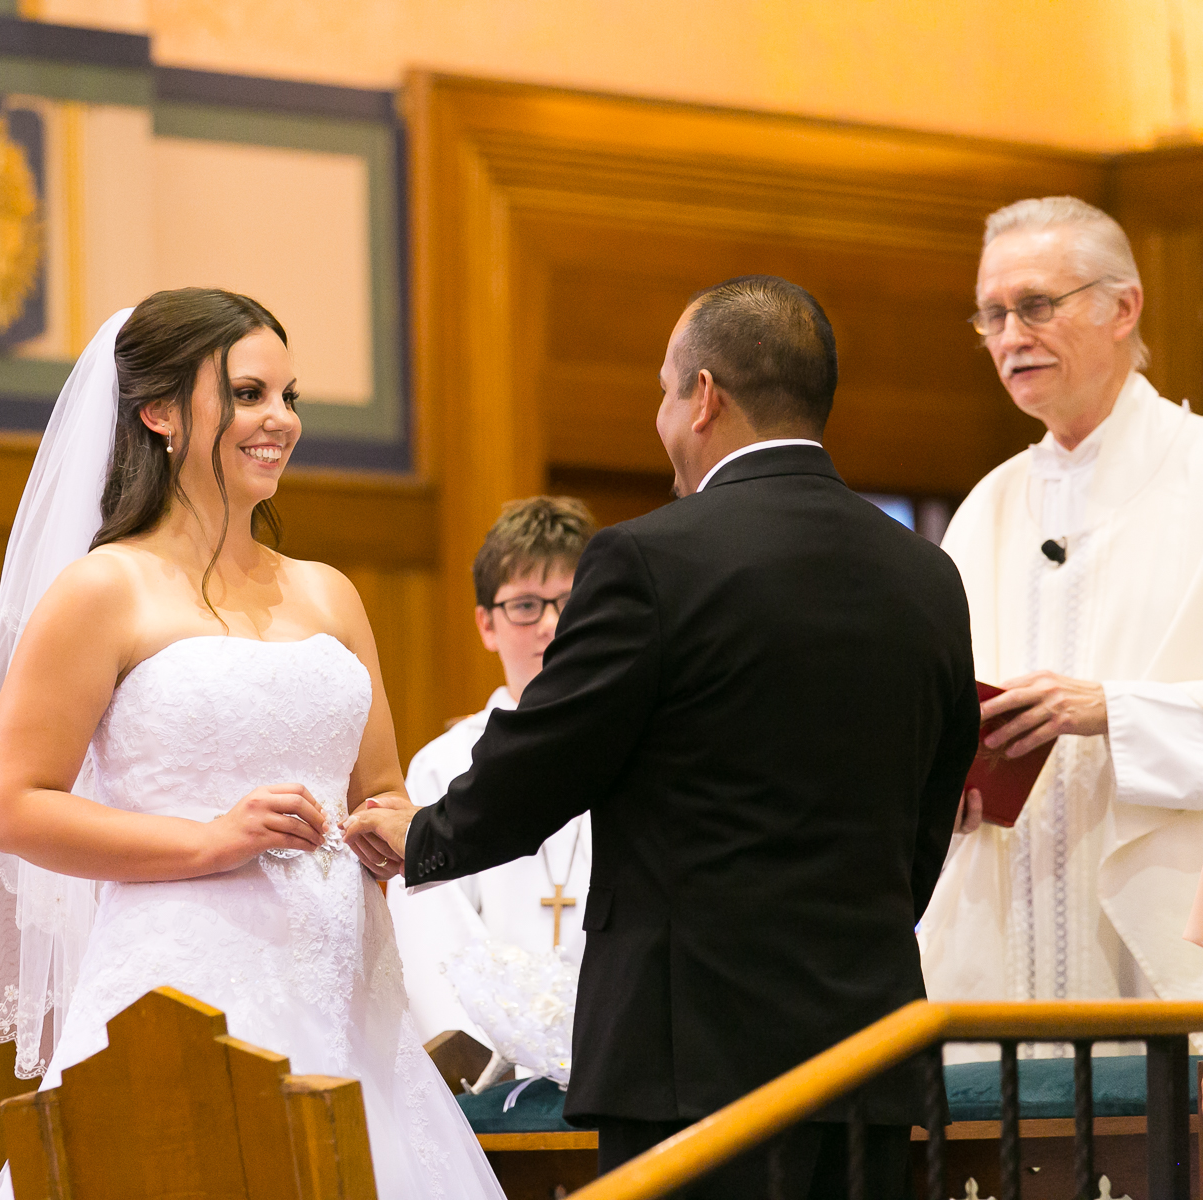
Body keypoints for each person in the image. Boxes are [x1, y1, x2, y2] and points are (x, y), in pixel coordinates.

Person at [347, 276, 979, 1200]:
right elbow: (931, 810)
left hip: (693, 1064)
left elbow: (546, 756)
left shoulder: (652, 558)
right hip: (867, 1059)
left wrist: (426, 837)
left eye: (663, 391)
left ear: (705, 396)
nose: (662, 417)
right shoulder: (928, 575)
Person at [0, 289, 505, 1200]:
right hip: (183, 988)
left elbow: (385, 785)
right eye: (247, 394)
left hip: (347, 995)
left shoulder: (330, 594)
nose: (278, 421)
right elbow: (14, 806)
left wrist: (391, 825)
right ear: (159, 413)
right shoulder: (105, 591)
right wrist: (214, 840)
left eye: (290, 397)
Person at [915, 197, 1203, 1011]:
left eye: (1037, 305)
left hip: (1159, 939)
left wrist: (1114, 710)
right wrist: (944, 783)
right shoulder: (986, 509)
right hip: (1004, 932)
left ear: (1125, 307)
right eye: (993, 314)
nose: (1010, 336)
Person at [387, 496, 597, 1050]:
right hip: (493, 1074)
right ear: (486, 624)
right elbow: (437, 938)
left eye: (570, 603)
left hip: (613, 1051)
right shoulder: (445, 766)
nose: (551, 626)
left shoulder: (633, 751)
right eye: (526, 605)